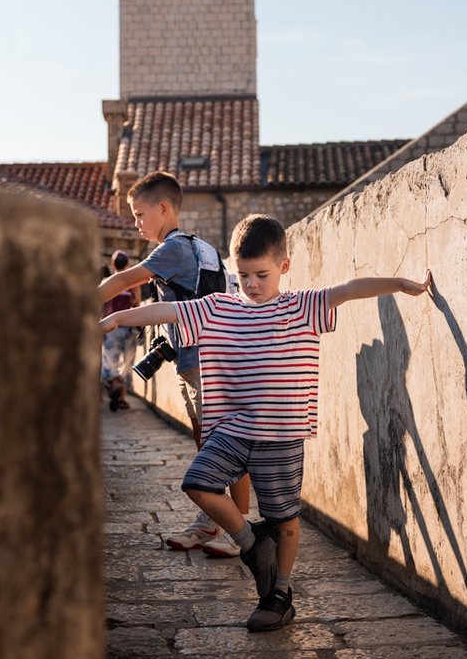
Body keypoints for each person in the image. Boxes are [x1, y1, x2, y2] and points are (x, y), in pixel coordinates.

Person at [101, 212, 432, 632]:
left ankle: (279, 595)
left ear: (284, 267)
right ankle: (252, 543)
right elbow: (167, 309)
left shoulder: (301, 307)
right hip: (233, 430)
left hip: (281, 436)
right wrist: (114, 319)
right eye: (242, 276)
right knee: (198, 483)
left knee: (286, 523)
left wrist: (400, 284)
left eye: (261, 274)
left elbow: (348, 290)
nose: (252, 284)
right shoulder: (217, 308)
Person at [96, 169, 250, 556]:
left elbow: (123, 281)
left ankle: (242, 532)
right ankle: (212, 522)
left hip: (204, 362)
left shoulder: (173, 249)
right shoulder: (202, 248)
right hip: (196, 358)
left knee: (225, 446)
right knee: (207, 444)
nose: (135, 223)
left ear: (163, 209)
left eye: (139, 213)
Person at [100, 250, 138, 410]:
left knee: (111, 363)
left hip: (111, 328)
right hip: (128, 327)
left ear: (113, 264)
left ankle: (114, 388)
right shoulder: (132, 283)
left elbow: (101, 305)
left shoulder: (107, 281)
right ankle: (121, 397)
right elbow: (136, 302)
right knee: (126, 363)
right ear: (127, 264)